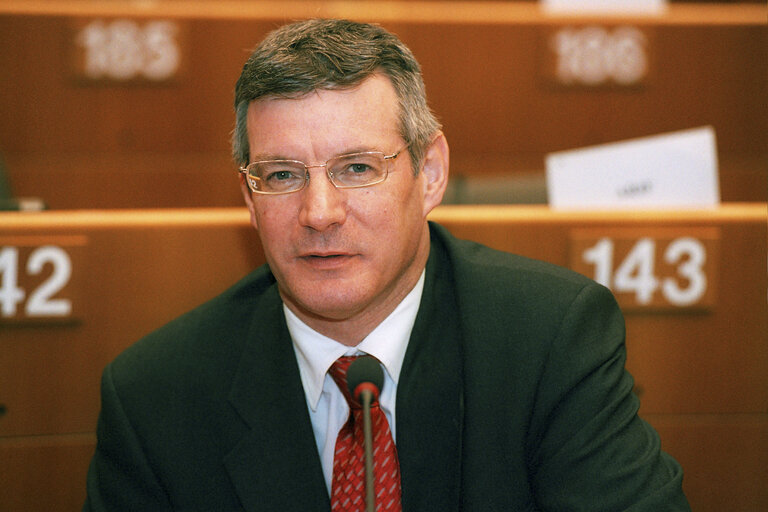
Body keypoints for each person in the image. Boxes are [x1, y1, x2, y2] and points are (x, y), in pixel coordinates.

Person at [84, 19, 690, 511]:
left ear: (429, 175)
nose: (319, 213)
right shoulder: (154, 399)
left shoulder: (549, 341)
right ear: (248, 197)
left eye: (356, 169)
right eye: (282, 176)